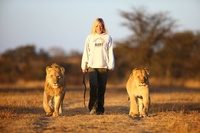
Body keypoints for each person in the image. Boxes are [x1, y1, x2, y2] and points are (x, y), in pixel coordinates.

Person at [81, 18, 115, 115]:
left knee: (102, 88)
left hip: (103, 66)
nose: (99, 28)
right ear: (94, 27)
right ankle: (92, 108)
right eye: (97, 26)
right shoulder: (90, 37)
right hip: (92, 66)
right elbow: (86, 52)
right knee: (93, 86)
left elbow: (110, 52)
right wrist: (84, 66)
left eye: (101, 26)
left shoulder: (108, 37)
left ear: (103, 27)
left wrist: (111, 64)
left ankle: (100, 109)